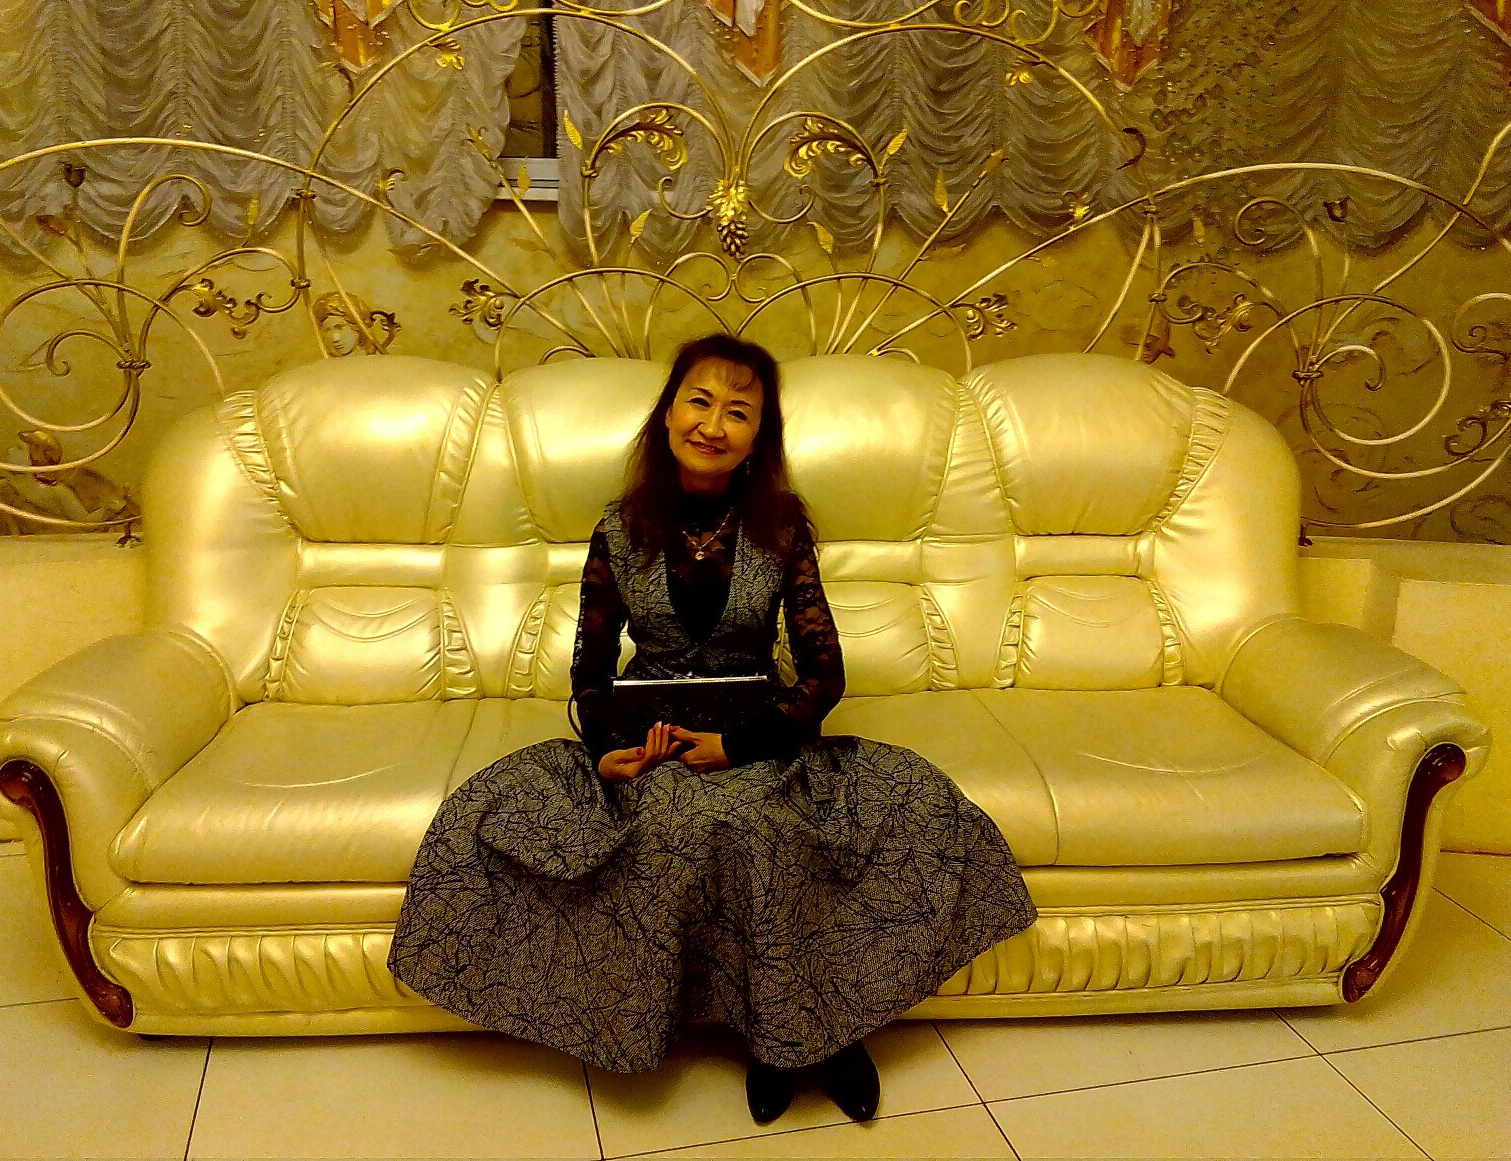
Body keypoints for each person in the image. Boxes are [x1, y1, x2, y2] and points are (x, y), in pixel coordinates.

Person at [389, 334, 1035, 1125]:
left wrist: (735, 746)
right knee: (673, 824)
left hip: (757, 733)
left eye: (739, 412)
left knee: (798, 819)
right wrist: (610, 753)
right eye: (698, 401)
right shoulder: (619, 528)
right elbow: (591, 667)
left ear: (759, 437)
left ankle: (810, 1036)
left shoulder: (782, 527)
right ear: (667, 416)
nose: (713, 423)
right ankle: (776, 1033)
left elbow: (824, 674)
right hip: (655, 741)